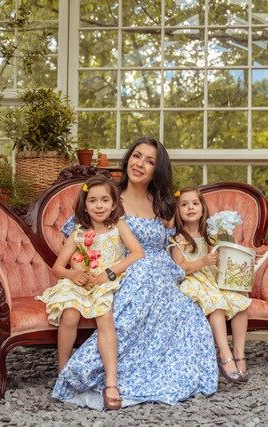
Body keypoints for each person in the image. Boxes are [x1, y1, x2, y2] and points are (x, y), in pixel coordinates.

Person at [52, 137, 218, 410]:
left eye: (150, 161)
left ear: (157, 169)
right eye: (137, 156)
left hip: (163, 273)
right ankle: (97, 374)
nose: (140, 164)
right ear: (128, 158)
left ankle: (163, 369)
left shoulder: (163, 206)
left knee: (187, 312)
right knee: (142, 279)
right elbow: (80, 240)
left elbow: (186, 237)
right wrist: (84, 272)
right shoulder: (107, 196)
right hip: (123, 270)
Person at [37, 176, 144, 410]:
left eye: (105, 200)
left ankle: (111, 382)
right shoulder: (78, 233)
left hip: (105, 282)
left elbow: (137, 253)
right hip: (80, 283)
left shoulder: (118, 227)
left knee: (105, 318)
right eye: (93, 201)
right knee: (70, 314)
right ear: (84, 205)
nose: (99, 206)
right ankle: (63, 370)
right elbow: (57, 267)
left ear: (114, 204)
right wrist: (74, 275)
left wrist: (110, 273)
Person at [171, 187, 252, 383]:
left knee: (240, 303)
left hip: (211, 279)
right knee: (215, 304)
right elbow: (179, 269)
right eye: (184, 204)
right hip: (192, 281)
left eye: (195, 203)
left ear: (202, 208)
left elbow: (222, 257)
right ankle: (224, 356)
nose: (190, 207)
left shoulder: (210, 234)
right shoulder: (178, 239)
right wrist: (203, 262)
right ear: (178, 210)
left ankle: (239, 353)